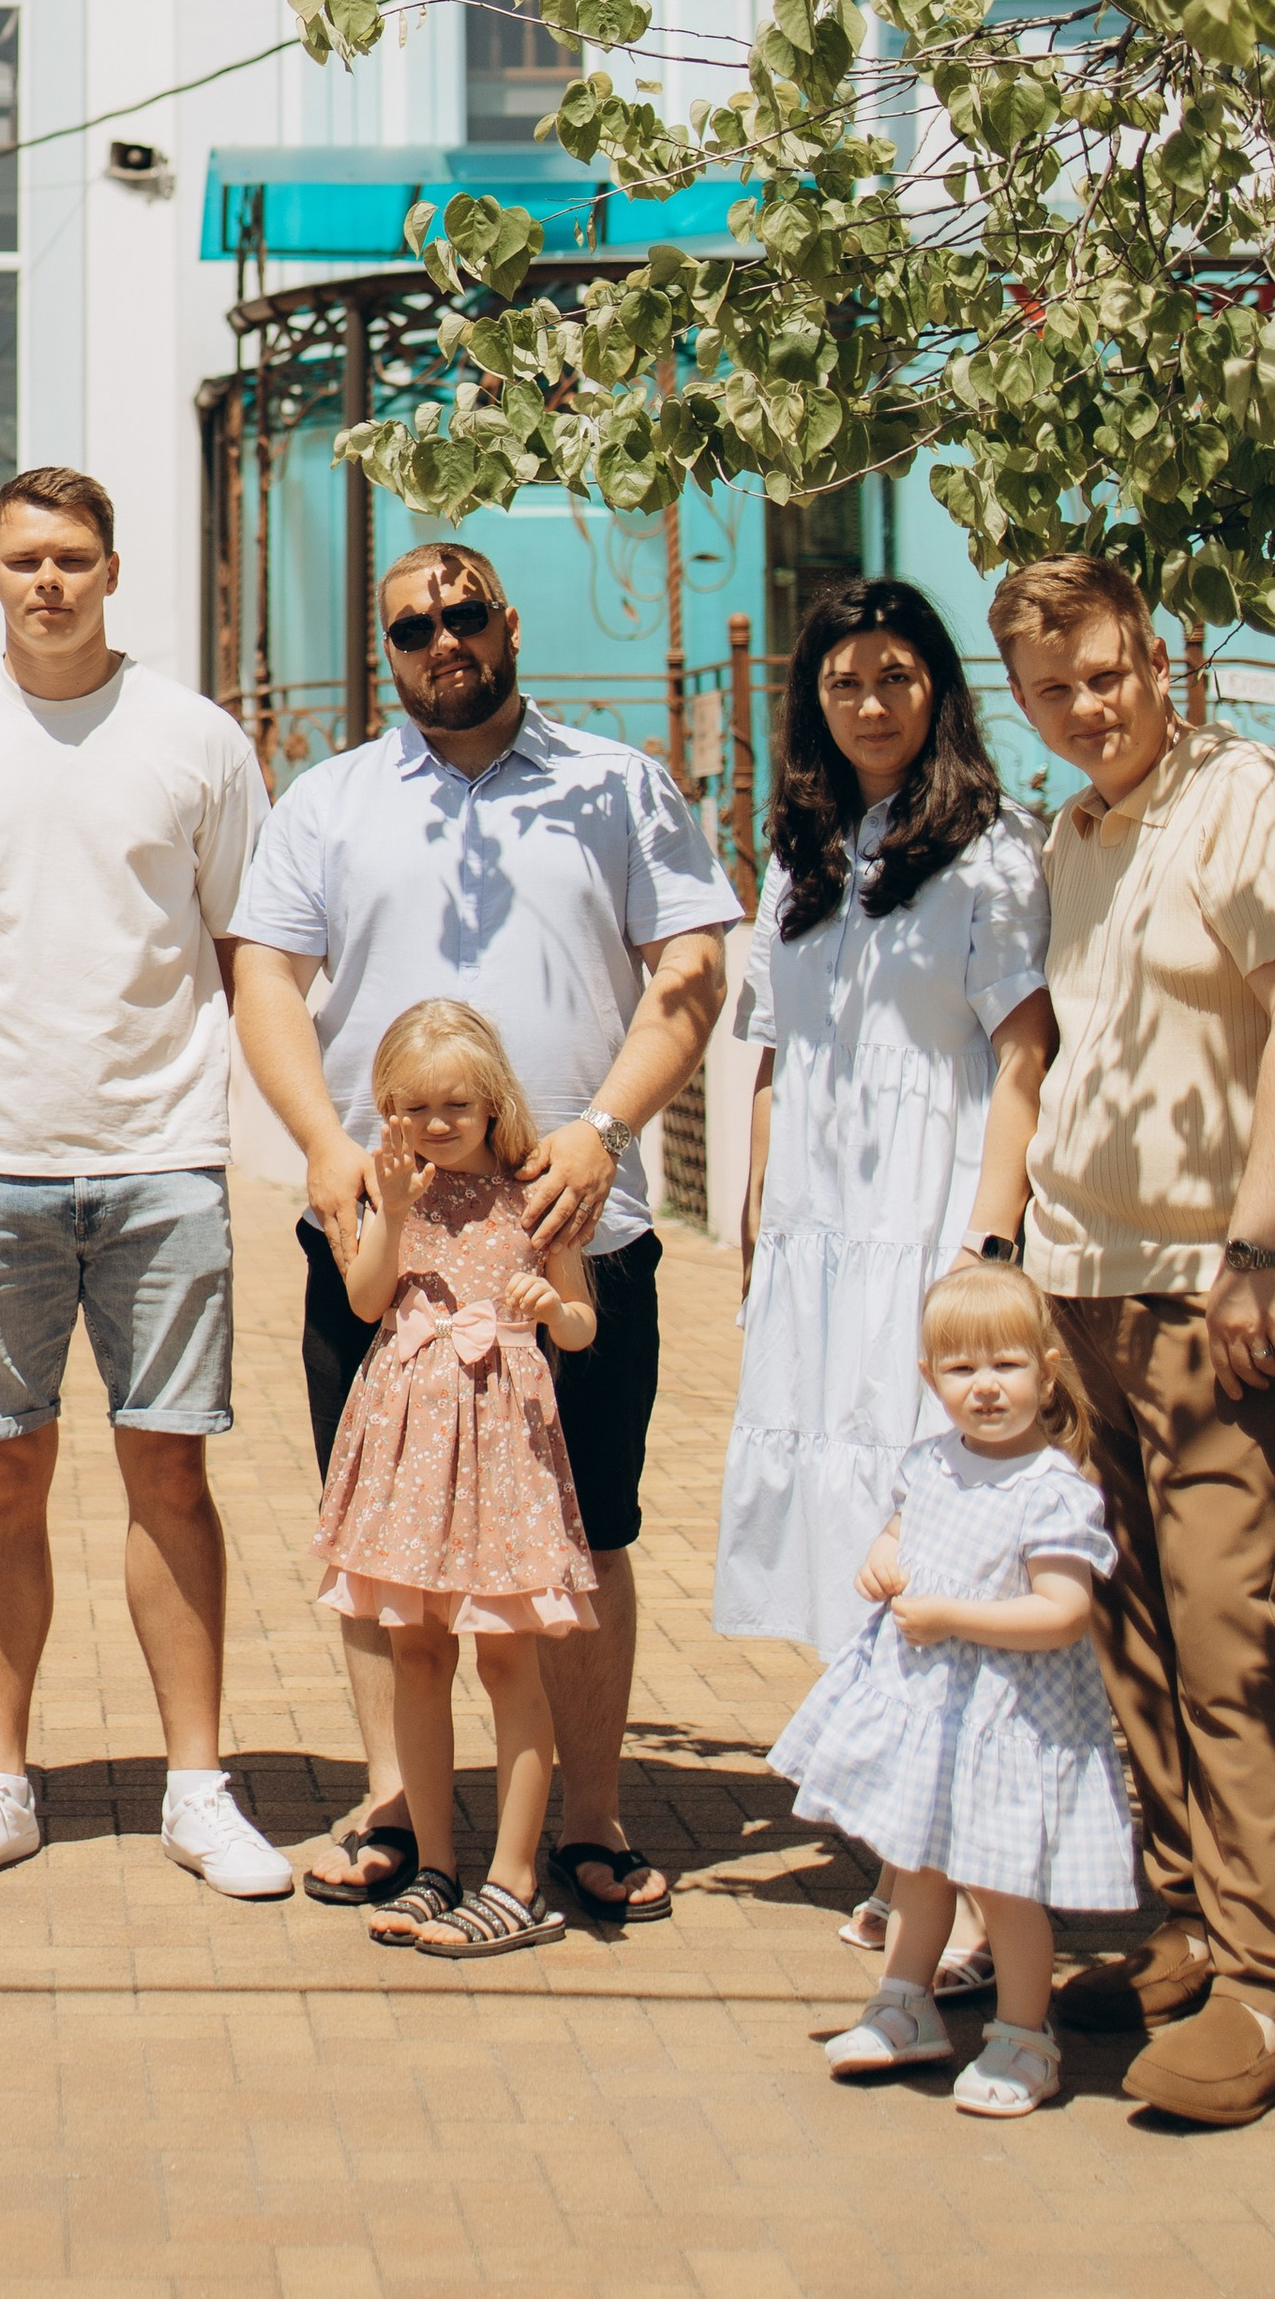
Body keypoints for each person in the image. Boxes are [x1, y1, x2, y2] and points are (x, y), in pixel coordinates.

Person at [230, 537, 738, 1922]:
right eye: (412, 629)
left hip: (568, 1231)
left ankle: (588, 1820)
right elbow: (265, 975)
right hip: (378, 1236)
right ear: (386, 650)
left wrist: (605, 1130)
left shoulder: (620, 787)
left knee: (591, 1532)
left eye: (464, 615)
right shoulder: (328, 802)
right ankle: (404, 1816)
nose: (442, 641)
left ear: (508, 624)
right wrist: (328, 1150)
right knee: (382, 1537)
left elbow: (691, 972)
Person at [0, 466, 290, 1903]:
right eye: (24, 560)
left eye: (73, 559)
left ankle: (198, 1784)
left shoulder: (197, 741)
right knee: (5, 1476)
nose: (49, 582)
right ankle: (0, 1785)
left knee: (171, 1469)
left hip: (163, 1155)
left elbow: (249, 949)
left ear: (114, 570)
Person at [713, 577, 1055, 1987]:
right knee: (849, 1531)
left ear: (939, 691)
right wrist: (748, 1220)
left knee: (949, 1544)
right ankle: (913, 1854)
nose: (871, 703)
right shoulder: (797, 849)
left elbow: (1025, 1054)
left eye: (898, 680)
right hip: (813, 1238)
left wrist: (985, 1248)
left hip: (927, 1233)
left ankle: (977, 1898)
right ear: (814, 699)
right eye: (847, 681)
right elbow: (783, 1061)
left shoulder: (992, 851)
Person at [993, 551, 1275, 2127]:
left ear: (1157, 656)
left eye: (1110, 674)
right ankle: (1183, 1926)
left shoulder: (1238, 802)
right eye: (1056, 691)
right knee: (1132, 1634)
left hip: (1205, 1293)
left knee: (1234, 1638)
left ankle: (1263, 1976)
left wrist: (1256, 1248)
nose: (1090, 708)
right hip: (1078, 1280)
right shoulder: (1074, 832)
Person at [772, 1261, 1136, 2116]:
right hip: (932, 1715)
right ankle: (903, 2006)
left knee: (1003, 1884)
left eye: (1006, 1365)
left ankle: (1022, 2036)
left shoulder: (1053, 1489)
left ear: (1047, 1371)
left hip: (1010, 1722)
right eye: (962, 1369)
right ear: (930, 1377)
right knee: (918, 1862)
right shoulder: (932, 1462)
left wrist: (952, 1615)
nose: (985, 1388)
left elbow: (1064, 1612)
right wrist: (881, 1556)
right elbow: (905, 1528)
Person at [312, 1001, 597, 1961]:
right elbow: (363, 1303)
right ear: (386, 1108)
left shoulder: (533, 1193)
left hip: (503, 1453)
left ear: (492, 1103)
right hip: (407, 1447)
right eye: (414, 1106)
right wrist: (389, 1215)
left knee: (509, 1655)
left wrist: (550, 1306)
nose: (436, 1124)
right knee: (416, 1650)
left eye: (457, 1105)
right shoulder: (389, 1190)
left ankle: (514, 1880)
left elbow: (584, 1326)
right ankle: (438, 1864)